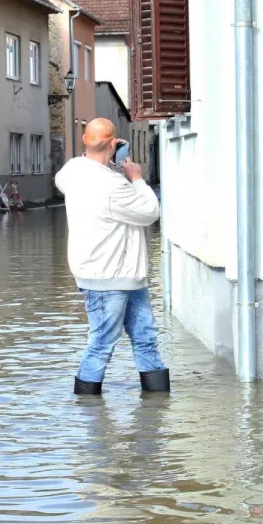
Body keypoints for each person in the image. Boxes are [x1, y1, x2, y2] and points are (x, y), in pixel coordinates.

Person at [55, 117, 170, 395]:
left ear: (84, 141)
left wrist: (110, 163)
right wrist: (136, 177)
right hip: (109, 277)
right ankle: (90, 411)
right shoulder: (112, 185)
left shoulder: (72, 171)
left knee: (144, 338)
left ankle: (154, 406)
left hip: (124, 276)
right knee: (103, 344)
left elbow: (69, 178)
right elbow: (150, 211)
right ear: (112, 144)